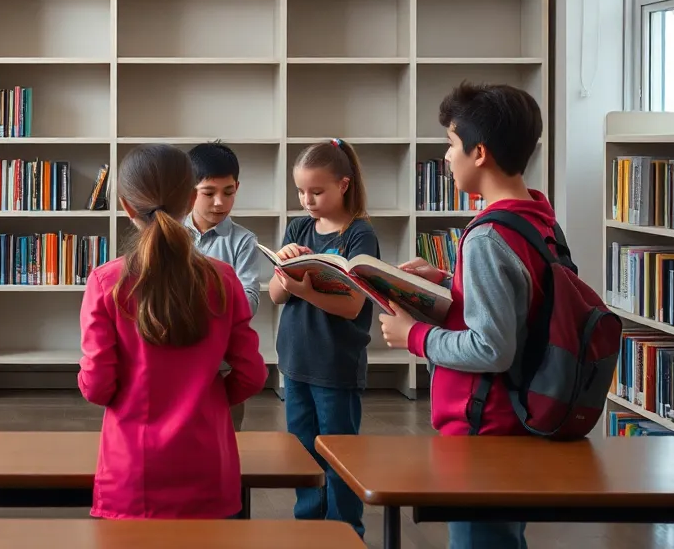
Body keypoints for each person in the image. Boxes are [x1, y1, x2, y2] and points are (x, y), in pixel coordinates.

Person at [380, 82, 552, 549]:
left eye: (451, 144)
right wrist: (448, 280)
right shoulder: (536, 215)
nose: (446, 157)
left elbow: (491, 347)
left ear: (479, 153)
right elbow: (522, 304)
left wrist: (413, 335)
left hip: (485, 426)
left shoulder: (486, 237)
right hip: (517, 415)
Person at [78, 143, 267, 520]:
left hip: (131, 470)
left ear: (126, 206)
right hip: (208, 463)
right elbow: (251, 374)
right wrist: (208, 401)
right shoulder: (223, 278)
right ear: (188, 198)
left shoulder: (106, 282)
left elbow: (97, 387)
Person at [268, 138, 376, 538]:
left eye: (317, 191)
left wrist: (306, 289)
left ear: (344, 185)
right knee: (303, 451)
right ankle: (309, 527)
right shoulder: (298, 227)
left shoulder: (359, 234)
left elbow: (352, 307)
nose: (307, 200)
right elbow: (276, 295)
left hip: (336, 364)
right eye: (301, 191)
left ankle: (345, 531)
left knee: (340, 453)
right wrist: (287, 267)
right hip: (296, 360)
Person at [186, 140, 264, 431]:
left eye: (228, 192)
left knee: (226, 435)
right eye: (209, 193)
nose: (220, 202)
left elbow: (251, 299)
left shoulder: (243, 241)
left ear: (237, 188)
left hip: (222, 362)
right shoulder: (171, 233)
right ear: (188, 190)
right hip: (175, 361)